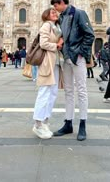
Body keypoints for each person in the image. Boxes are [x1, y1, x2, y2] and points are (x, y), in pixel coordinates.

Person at [51, 0, 95, 141]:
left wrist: (81, 52)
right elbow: (64, 35)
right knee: (68, 91)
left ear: (62, 2)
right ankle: (68, 123)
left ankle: (83, 124)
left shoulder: (79, 14)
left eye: (56, 5)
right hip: (66, 58)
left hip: (77, 57)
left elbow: (90, 34)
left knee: (81, 90)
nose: (55, 9)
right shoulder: (62, 17)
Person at [32, 8, 63, 139]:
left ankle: (45, 121)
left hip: (55, 62)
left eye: (56, 12)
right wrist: (57, 45)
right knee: (44, 92)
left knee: (53, 92)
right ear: (47, 16)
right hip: (47, 63)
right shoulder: (46, 26)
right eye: (52, 12)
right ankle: (37, 124)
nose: (55, 13)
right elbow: (43, 43)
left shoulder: (57, 27)